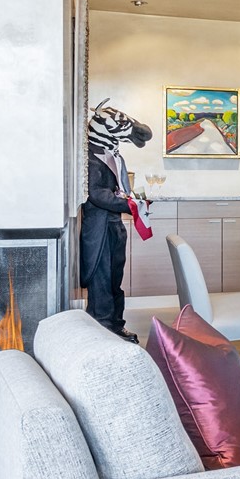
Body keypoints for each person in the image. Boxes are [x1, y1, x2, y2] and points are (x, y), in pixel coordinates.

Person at [82, 102, 151, 340]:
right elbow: (97, 194)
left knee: (114, 277)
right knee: (101, 279)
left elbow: (114, 191)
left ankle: (115, 325)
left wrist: (132, 202)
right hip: (100, 227)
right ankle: (103, 328)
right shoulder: (92, 157)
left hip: (114, 225)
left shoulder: (111, 153)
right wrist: (130, 205)